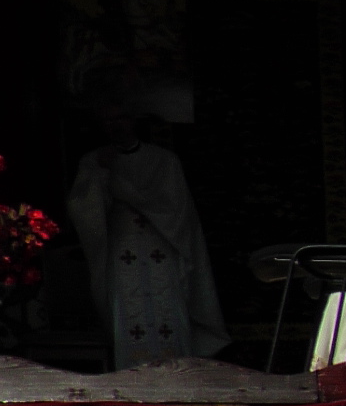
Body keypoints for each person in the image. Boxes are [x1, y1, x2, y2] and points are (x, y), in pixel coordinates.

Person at [65, 105, 228, 368]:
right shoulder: (93, 162)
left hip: (162, 248)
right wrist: (101, 175)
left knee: (169, 314)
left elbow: (177, 211)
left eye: (119, 117)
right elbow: (85, 213)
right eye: (107, 120)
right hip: (121, 252)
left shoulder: (164, 161)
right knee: (129, 318)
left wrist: (126, 189)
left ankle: (179, 378)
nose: (114, 125)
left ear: (133, 120)